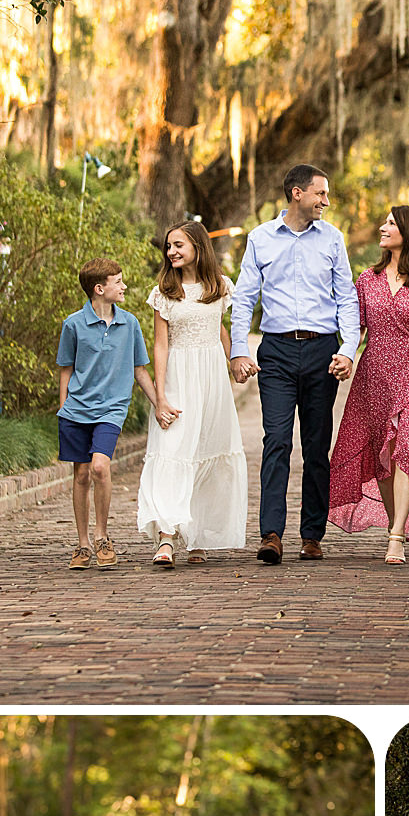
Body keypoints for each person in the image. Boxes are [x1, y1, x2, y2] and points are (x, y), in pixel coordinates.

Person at [227, 163, 360, 564]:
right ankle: (271, 534)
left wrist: (348, 349)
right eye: (321, 193)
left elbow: (347, 299)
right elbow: (245, 298)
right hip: (277, 353)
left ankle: (312, 535)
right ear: (297, 193)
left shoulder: (333, 239)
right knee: (277, 442)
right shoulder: (260, 239)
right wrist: (238, 350)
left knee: (317, 446)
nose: (326, 201)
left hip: (322, 352)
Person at [326, 205, 409, 564]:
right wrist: (346, 355)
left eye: (391, 223)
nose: (383, 227)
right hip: (376, 372)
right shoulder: (367, 279)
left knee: (408, 447)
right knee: (379, 456)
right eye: (385, 222)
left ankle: (397, 534)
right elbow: (356, 328)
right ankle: (394, 525)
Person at [139, 221, 247, 568]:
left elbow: (219, 329)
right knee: (172, 451)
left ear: (198, 247)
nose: (171, 251)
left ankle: (198, 535)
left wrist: (236, 362)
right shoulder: (164, 293)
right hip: (178, 379)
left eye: (178, 245)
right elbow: (159, 345)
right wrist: (160, 396)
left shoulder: (218, 287)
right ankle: (167, 538)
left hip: (212, 379)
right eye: (168, 246)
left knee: (206, 452)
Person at [56, 258, 163, 572]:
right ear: (99, 289)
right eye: (118, 281)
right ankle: (83, 544)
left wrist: (160, 404)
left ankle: (102, 536)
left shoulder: (129, 323)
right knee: (81, 474)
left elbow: (139, 370)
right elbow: (66, 369)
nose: (124, 286)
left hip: (111, 409)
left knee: (100, 468)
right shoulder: (73, 324)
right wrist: (63, 408)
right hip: (76, 410)